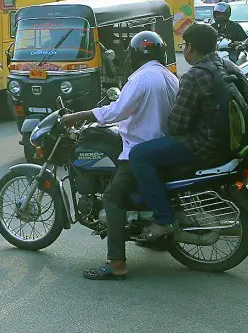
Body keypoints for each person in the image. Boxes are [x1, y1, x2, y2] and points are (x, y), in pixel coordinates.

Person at [60, 31, 179, 281]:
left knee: (112, 198)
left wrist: (78, 116)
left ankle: (116, 264)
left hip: (139, 148)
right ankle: (153, 238)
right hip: (162, 145)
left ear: (134, 55)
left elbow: (117, 111)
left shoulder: (141, 78)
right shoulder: (169, 76)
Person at [130, 24, 248, 242]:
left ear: (190, 47)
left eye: (184, 45)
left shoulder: (194, 75)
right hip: (227, 143)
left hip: (203, 145)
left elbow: (176, 125)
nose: (183, 49)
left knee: (139, 155)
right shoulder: (227, 65)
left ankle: (163, 219)